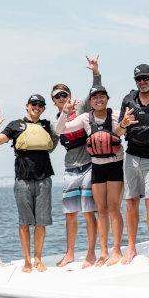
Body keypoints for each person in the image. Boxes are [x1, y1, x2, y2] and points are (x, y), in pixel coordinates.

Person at [55, 84, 125, 267]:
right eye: (95, 97)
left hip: (115, 165)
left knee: (114, 208)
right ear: (91, 102)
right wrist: (65, 112)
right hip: (97, 167)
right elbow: (60, 130)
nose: (99, 100)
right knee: (101, 210)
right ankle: (103, 253)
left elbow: (122, 132)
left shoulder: (116, 114)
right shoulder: (86, 117)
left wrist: (124, 125)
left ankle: (116, 250)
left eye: (102, 96)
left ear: (107, 98)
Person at [0, 94, 58, 273]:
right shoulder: (15, 125)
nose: (37, 107)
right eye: (33, 104)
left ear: (43, 108)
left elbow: (60, 134)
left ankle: (38, 259)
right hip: (22, 180)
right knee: (24, 223)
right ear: (27, 106)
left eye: (40, 105)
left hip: (44, 179)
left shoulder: (47, 125)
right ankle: (27, 261)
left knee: (41, 223)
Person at [50, 56, 100, 268]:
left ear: (70, 95)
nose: (62, 97)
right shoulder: (56, 120)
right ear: (54, 101)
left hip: (89, 164)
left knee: (89, 211)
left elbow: (96, 91)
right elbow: (52, 140)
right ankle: (69, 253)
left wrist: (95, 72)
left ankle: (90, 253)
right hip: (70, 169)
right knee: (70, 214)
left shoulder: (81, 108)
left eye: (64, 94)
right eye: (57, 96)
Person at [115, 64, 149, 263]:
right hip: (132, 156)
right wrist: (123, 124)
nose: (142, 82)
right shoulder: (128, 100)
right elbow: (118, 133)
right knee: (130, 201)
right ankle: (132, 247)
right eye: (139, 79)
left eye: (146, 78)